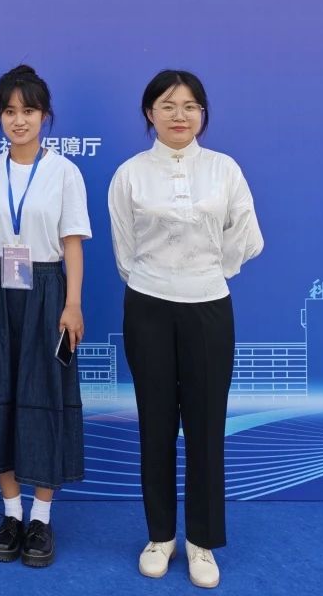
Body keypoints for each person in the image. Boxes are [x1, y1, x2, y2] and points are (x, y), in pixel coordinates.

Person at [109, 70, 263, 589]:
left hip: (208, 307)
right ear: (149, 112)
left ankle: (201, 541)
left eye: (191, 106)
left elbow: (246, 237)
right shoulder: (130, 174)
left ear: (203, 114)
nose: (180, 115)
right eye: (168, 105)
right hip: (147, 306)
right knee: (155, 425)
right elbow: (125, 250)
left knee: (205, 426)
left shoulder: (224, 169)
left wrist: (207, 272)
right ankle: (160, 536)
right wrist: (159, 279)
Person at [0, 65, 90, 567]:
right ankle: (11, 513)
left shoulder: (64, 172)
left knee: (44, 399)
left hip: (48, 288)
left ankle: (41, 519)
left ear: (45, 115)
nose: (19, 120)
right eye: (10, 111)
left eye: (29, 111)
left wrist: (72, 303)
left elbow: (72, 243)